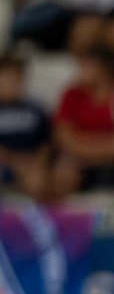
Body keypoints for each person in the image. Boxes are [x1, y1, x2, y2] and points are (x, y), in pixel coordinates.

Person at [50, 42, 114, 196]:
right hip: (81, 156)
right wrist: (95, 148)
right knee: (63, 169)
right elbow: (62, 135)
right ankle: (58, 217)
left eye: (87, 65)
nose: (80, 70)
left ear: (104, 69)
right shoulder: (72, 94)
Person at [0, 54, 55, 198]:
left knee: (38, 179)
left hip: (29, 161)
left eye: (17, 78)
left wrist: (39, 162)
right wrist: (10, 158)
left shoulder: (35, 109)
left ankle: (37, 217)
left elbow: (46, 141)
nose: (13, 83)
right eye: (7, 78)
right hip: (4, 159)